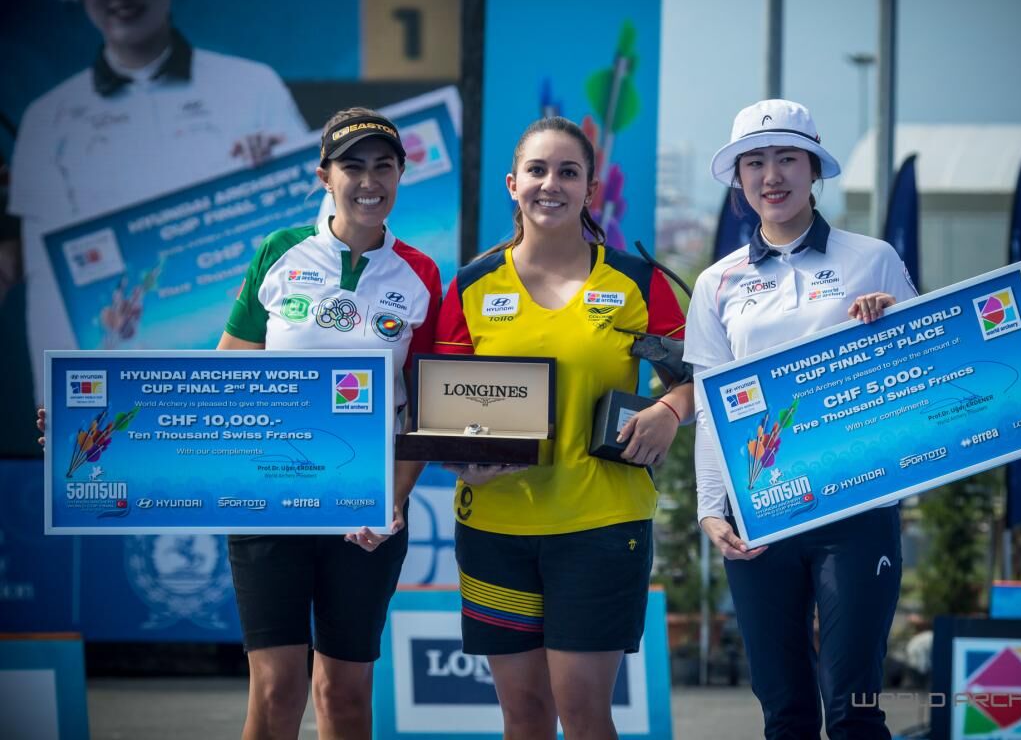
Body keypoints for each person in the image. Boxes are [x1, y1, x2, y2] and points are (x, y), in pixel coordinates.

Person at [432, 116, 693, 740]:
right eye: (538, 171)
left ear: (590, 189)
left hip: (600, 527)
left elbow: (699, 378)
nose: (551, 184)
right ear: (512, 184)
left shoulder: (638, 281)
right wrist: (460, 457)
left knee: (582, 713)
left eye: (568, 172)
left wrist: (668, 411)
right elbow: (440, 411)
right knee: (522, 716)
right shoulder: (469, 287)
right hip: (496, 528)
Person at [684, 99, 917, 740]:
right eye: (754, 162)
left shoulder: (873, 259)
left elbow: (924, 369)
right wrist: (711, 508)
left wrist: (891, 321)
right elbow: (709, 405)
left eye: (787, 158)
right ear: (738, 179)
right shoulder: (717, 283)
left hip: (856, 508)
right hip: (760, 511)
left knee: (854, 708)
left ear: (813, 169)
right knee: (783, 710)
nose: (771, 175)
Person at [216, 108, 440, 739]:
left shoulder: (421, 273)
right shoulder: (279, 251)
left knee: (342, 692)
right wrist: (94, 425)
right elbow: (225, 378)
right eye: (352, 166)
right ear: (324, 175)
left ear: (400, 174)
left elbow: (423, 406)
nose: (369, 180)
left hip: (364, 511)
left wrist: (390, 501)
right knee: (278, 685)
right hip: (269, 499)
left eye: (383, 166)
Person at [8, 0, 310, 399]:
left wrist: (288, 169)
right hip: (125, 380)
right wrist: (56, 401)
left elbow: (314, 232)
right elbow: (46, 284)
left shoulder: (253, 86)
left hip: (250, 369)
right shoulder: (47, 120)